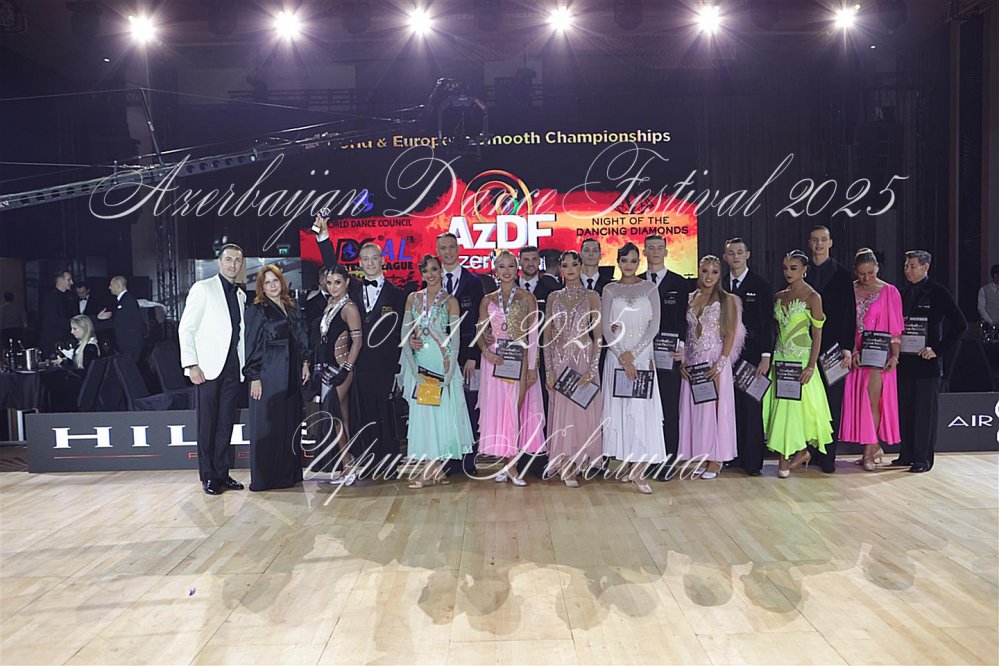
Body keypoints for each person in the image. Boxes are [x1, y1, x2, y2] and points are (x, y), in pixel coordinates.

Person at [178, 244, 247, 496]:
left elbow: (239, 335)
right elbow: (186, 328)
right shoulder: (203, 288)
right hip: (206, 369)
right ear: (219, 262)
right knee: (207, 425)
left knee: (225, 423)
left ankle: (222, 473)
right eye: (228, 259)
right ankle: (208, 476)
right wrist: (191, 364)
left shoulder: (241, 296)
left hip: (232, 368)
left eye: (237, 260)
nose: (233, 264)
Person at [400, 254, 474, 488]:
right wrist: (412, 362)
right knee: (424, 417)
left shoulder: (450, 301)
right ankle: (435, 470)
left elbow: (456, 338)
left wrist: (450, 368)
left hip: (442, 365)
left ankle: (430, 471)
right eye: (425, 271)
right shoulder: (413, 298)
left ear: (441, 270)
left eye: (434, 269)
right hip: (421, 366)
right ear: (421, 274)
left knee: (442, 417)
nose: (430, 275)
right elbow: (404, 334)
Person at [601, 242, 667, 493]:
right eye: (624, 260)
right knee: (621, 411)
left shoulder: (650, 288)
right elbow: (605, 328)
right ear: (618, 262)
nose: (628, 265)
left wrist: (634, 355)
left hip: (642, 357)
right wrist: (622, 356)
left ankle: (639, 471)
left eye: (633, 260)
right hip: (616, 358)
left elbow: (654, 326)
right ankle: (628, 464)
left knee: (641, 412)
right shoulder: (609, 289)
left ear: (639, 262)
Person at [476, 250, 545, 486]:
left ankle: (511, 465)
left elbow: (533, 335)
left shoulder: (527, 298)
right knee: (499, 413)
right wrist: (487, 352)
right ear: (495, 271)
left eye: (511, 266)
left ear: (517, 269)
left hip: (518, 359)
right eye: (502, 267)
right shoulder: (487, 299)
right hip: (495, 362)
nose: (506, 271)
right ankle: (508, 465)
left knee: (514, 410)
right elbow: (479, 332)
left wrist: (532, 367)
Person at [762, 251, 833, 477]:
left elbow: (817, 335)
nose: (788, 272)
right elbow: (776, 331)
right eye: (785, 268)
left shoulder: (813, 297)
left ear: (805, 270)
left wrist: (811, 366)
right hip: (780, 360)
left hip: (801, 361)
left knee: (796, 409)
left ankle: (786, 457)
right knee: (781, 409)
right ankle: (798, 452)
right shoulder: (778, 296)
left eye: (793, 268)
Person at [897, 251, 968, 473]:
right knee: (906, 410)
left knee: (924, 414)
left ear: (925, 267)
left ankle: (922, 459)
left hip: (927, 364)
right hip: (905, 361)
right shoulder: (903, 292)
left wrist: (938, 350)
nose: (908, 270)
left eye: (912, 266)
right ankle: (906, 454)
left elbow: (960, 325)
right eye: (906, 266)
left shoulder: (938, 292)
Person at [243, 265, 310, 491]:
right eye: (267, 282)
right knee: (268, 425)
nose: (272, 286)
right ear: (261, 287)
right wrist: (254, 376)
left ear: (282, 282)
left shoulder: (291, 306)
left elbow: (300, 336)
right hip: (268, 373)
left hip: (292, 372)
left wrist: (305, 362)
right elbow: (251, 343)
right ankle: (266, 479)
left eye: (275, 281)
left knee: (289, 423)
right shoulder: (257, 309)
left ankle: (288, 475)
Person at [678, 255, 746, 479]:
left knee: (715, 410)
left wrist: (721, 364)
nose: (709, 276)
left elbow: (730, 333)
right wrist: (683, 360)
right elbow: (687, 334)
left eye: (714, 272)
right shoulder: (690, 297)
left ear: (720, 274)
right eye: (705, 271)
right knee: (697, 410)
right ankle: (702, 455)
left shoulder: (728, 300)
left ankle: (716, 459)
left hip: (715, 361)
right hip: (693, 361)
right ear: (699, 271)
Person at [839, 248, 904, 471]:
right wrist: (852, 350)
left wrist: (895, 355)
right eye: (861, 274)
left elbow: (895, 329)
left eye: (870, 273)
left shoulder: (889, 292)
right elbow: (844, 324)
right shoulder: (849, 290)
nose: (866, 278)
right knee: (857, 401)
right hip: (854, 354)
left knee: (873, 400)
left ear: (877, 268)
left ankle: (869, 450)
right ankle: (873, 446)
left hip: (878, 356)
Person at [544, 250, 604, 487]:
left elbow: (598, 336)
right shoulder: (553, 297)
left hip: (584, 359)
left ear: (580, 267)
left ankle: (580, 462)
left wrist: (592, 368)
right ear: (560, 269)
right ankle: (565, 464)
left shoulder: (592, 296)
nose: (570, 269)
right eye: (565, 265)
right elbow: (547, 336)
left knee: (582, 414)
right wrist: (549, 369)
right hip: (560, 361)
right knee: (563, 414)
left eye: (574, 264)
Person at [804, 226, 855, 473]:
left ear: (830, 243)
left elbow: (850, 313)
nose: (819, 244)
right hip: (804, 348)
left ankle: (828, 456)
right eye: (815, 240)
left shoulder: (843, 275)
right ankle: (808, 452)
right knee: (808, 403)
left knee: (832, 402)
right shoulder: (801, 271)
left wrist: (847, 347)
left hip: (833, 349)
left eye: (823, 240)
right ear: (810, 243)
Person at [722, 238, 774, 477]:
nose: (735, 256)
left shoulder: (761, 285)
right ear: (725, 257)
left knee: (752, 408)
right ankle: (735, 456)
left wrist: (766, 356)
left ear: (747, 255)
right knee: (731, 407)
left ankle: (753, 462)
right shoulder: (721, 284)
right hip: (726, 357)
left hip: (752, 358)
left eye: (739, 252)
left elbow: (766, 324)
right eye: (731, 253)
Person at [640, 233, 691, 474]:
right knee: (645, 409)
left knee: (669, 409)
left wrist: (681, 346)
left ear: (666, 252)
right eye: (650, 248)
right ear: (644, 251)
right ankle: (647, 461)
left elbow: (683, 319)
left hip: (669, 355)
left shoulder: (680, 283)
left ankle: (668, 463)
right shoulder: (636, 282)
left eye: (659, 247)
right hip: (642, 354)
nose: (655, 251)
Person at [314, 266, 362, 484]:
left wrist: (347, 369)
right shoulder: (331, 304)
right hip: (328, 369)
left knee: (335, 416)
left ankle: (348, 466)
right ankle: (348, 465)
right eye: (329, 282)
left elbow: (358, 342)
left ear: (347, 282)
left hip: (342, 369)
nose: (333, 287)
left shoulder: (349, 307)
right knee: (340, 417)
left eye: (337, 282)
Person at [95, 276, 145, 363]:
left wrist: (95, 325)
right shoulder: (124, 300)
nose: (109, 287)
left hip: (130, 343)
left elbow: (119, 322)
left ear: (118, 286)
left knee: (128, 367)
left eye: (111, 285)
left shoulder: (127, 301)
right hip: (128, 342)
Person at [39, 270, 76, 355]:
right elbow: (53, 320)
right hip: (53, 342)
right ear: (60, 280)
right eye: (69, 280)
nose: (72, 282)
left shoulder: (69, 297)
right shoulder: (50, 298)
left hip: (65, 340)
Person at [978, 264, 999, 333]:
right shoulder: (983, 290)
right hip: (988, 326)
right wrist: (991, 322)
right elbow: (981, 308)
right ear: (995, 275)